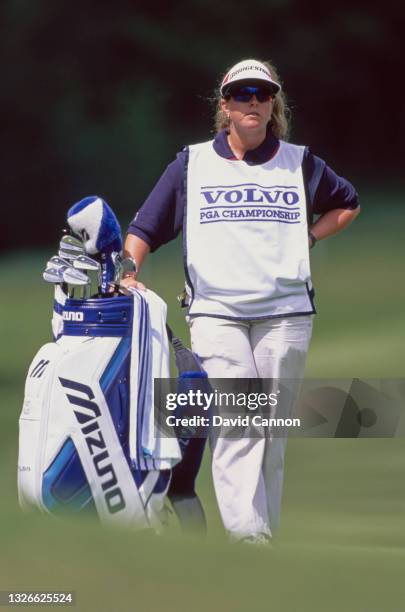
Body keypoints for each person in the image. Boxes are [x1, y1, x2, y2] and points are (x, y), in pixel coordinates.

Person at [122, 58, 360, 544]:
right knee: (240, 424)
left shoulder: (300, 162)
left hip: (287, 314)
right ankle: (248, 541)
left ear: (273, 105)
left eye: (263, 94)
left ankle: (260, 541)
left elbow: (348, 202)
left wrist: (307, 238)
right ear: (225, 105)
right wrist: (128, 271)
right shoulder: (192, 164)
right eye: (243, 94)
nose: (253, 101)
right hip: (216, 314)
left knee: (270, 435)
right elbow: (145, 227)